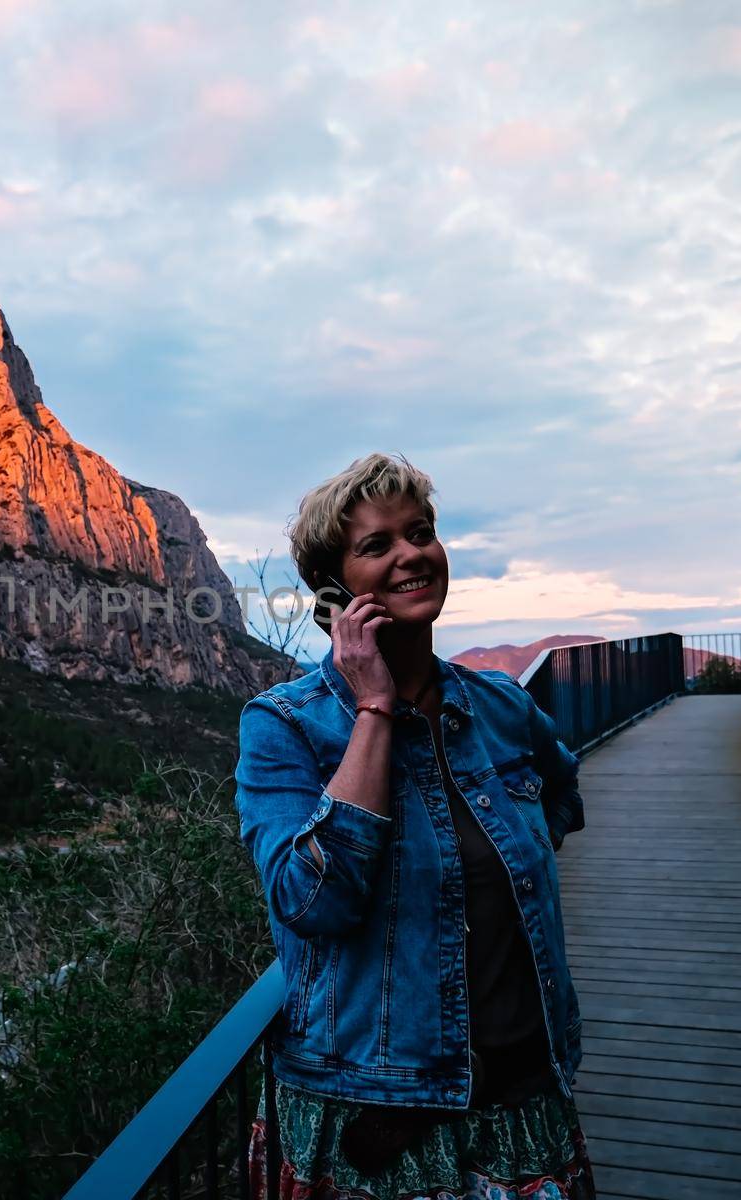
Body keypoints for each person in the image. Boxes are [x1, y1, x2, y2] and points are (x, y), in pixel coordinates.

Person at [234, 451, 596, 1199]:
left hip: (527, 1101)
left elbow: (562, 791)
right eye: (377, 545)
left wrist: (497, 868)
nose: (412, 555)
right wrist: (373, 708)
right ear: (333, 590)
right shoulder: (283, 728)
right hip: (381, 1117)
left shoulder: (498, 706)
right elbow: (315, 903)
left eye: (421, 532)